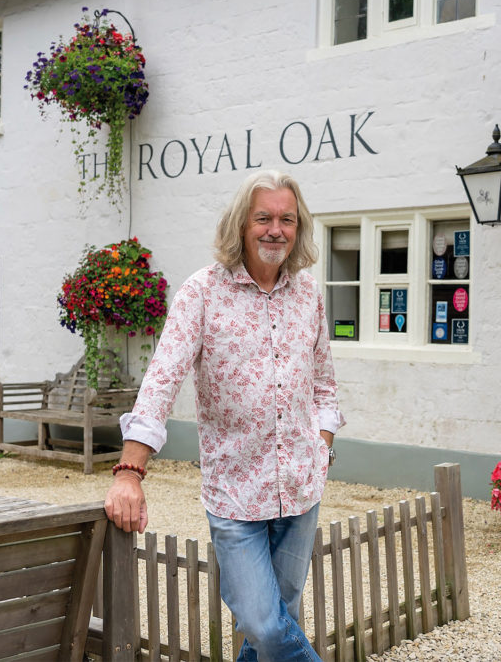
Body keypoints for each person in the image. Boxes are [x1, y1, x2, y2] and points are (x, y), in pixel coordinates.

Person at [105, 169, 345, 662]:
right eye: (263, 218)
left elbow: (324, 381)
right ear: (241, 224)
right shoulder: (203, 292)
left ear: (298, 229)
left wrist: (321, 445)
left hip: (301, 486)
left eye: (286, 219)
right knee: (265, 624)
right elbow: (162, 377)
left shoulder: (308, 295)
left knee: (272, 633)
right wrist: (131, 470)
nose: (275, 229)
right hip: (235, 493)